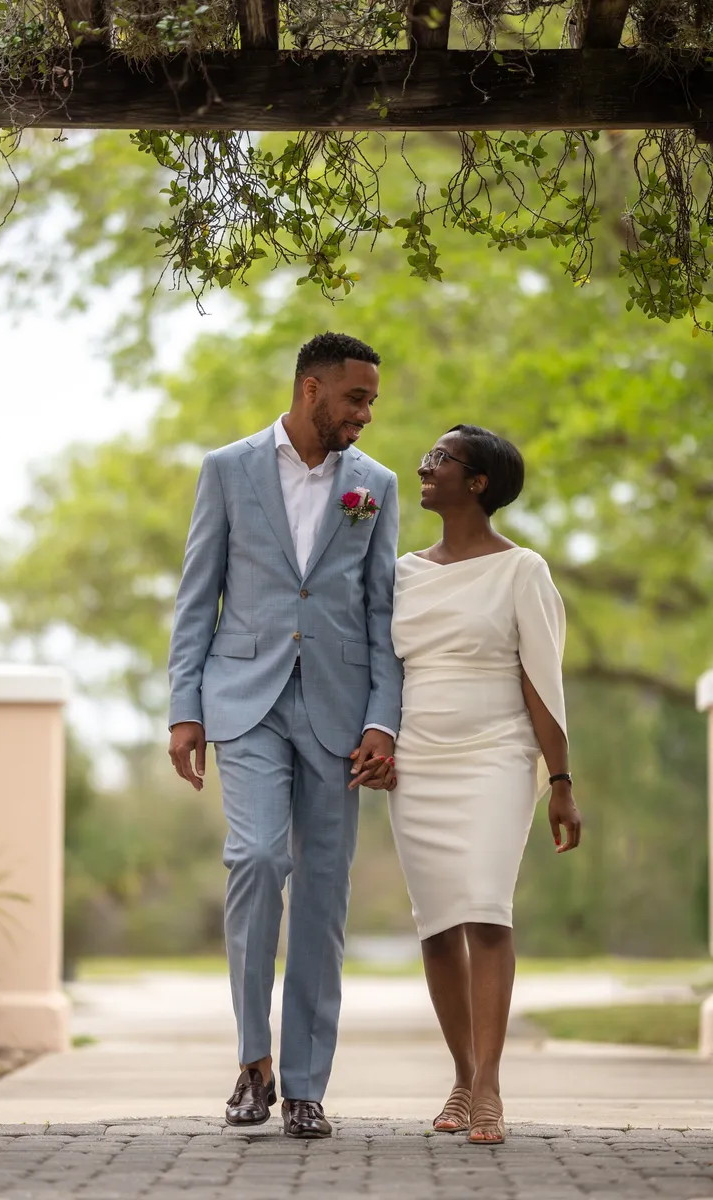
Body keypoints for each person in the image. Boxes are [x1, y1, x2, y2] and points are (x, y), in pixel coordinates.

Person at [167, 332, 403, 1139]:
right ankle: (250, 1062)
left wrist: (382, 721)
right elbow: (198, 595)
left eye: (370, 400)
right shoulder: (227, 470)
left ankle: (304, 1083)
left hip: (341, 715)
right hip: (246, 699)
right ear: (311, 390)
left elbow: (381, 613)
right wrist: (183, 708)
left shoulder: (375, 486)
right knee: (258, 858)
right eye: (356, 398)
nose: (366, 415)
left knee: (324, 901)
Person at [389, 423, 582, 1147]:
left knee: (485, 909)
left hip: (497, 755)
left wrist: (559, 781)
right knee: (437, 921)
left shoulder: (521, 570)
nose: (424, 466)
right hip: (419, 760)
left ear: (478, 483)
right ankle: (463, 1076)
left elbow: (544, 684)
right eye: (429, 456)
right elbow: (387, 671)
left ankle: (491, 1087)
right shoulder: (403, 570)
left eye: (441, 459)